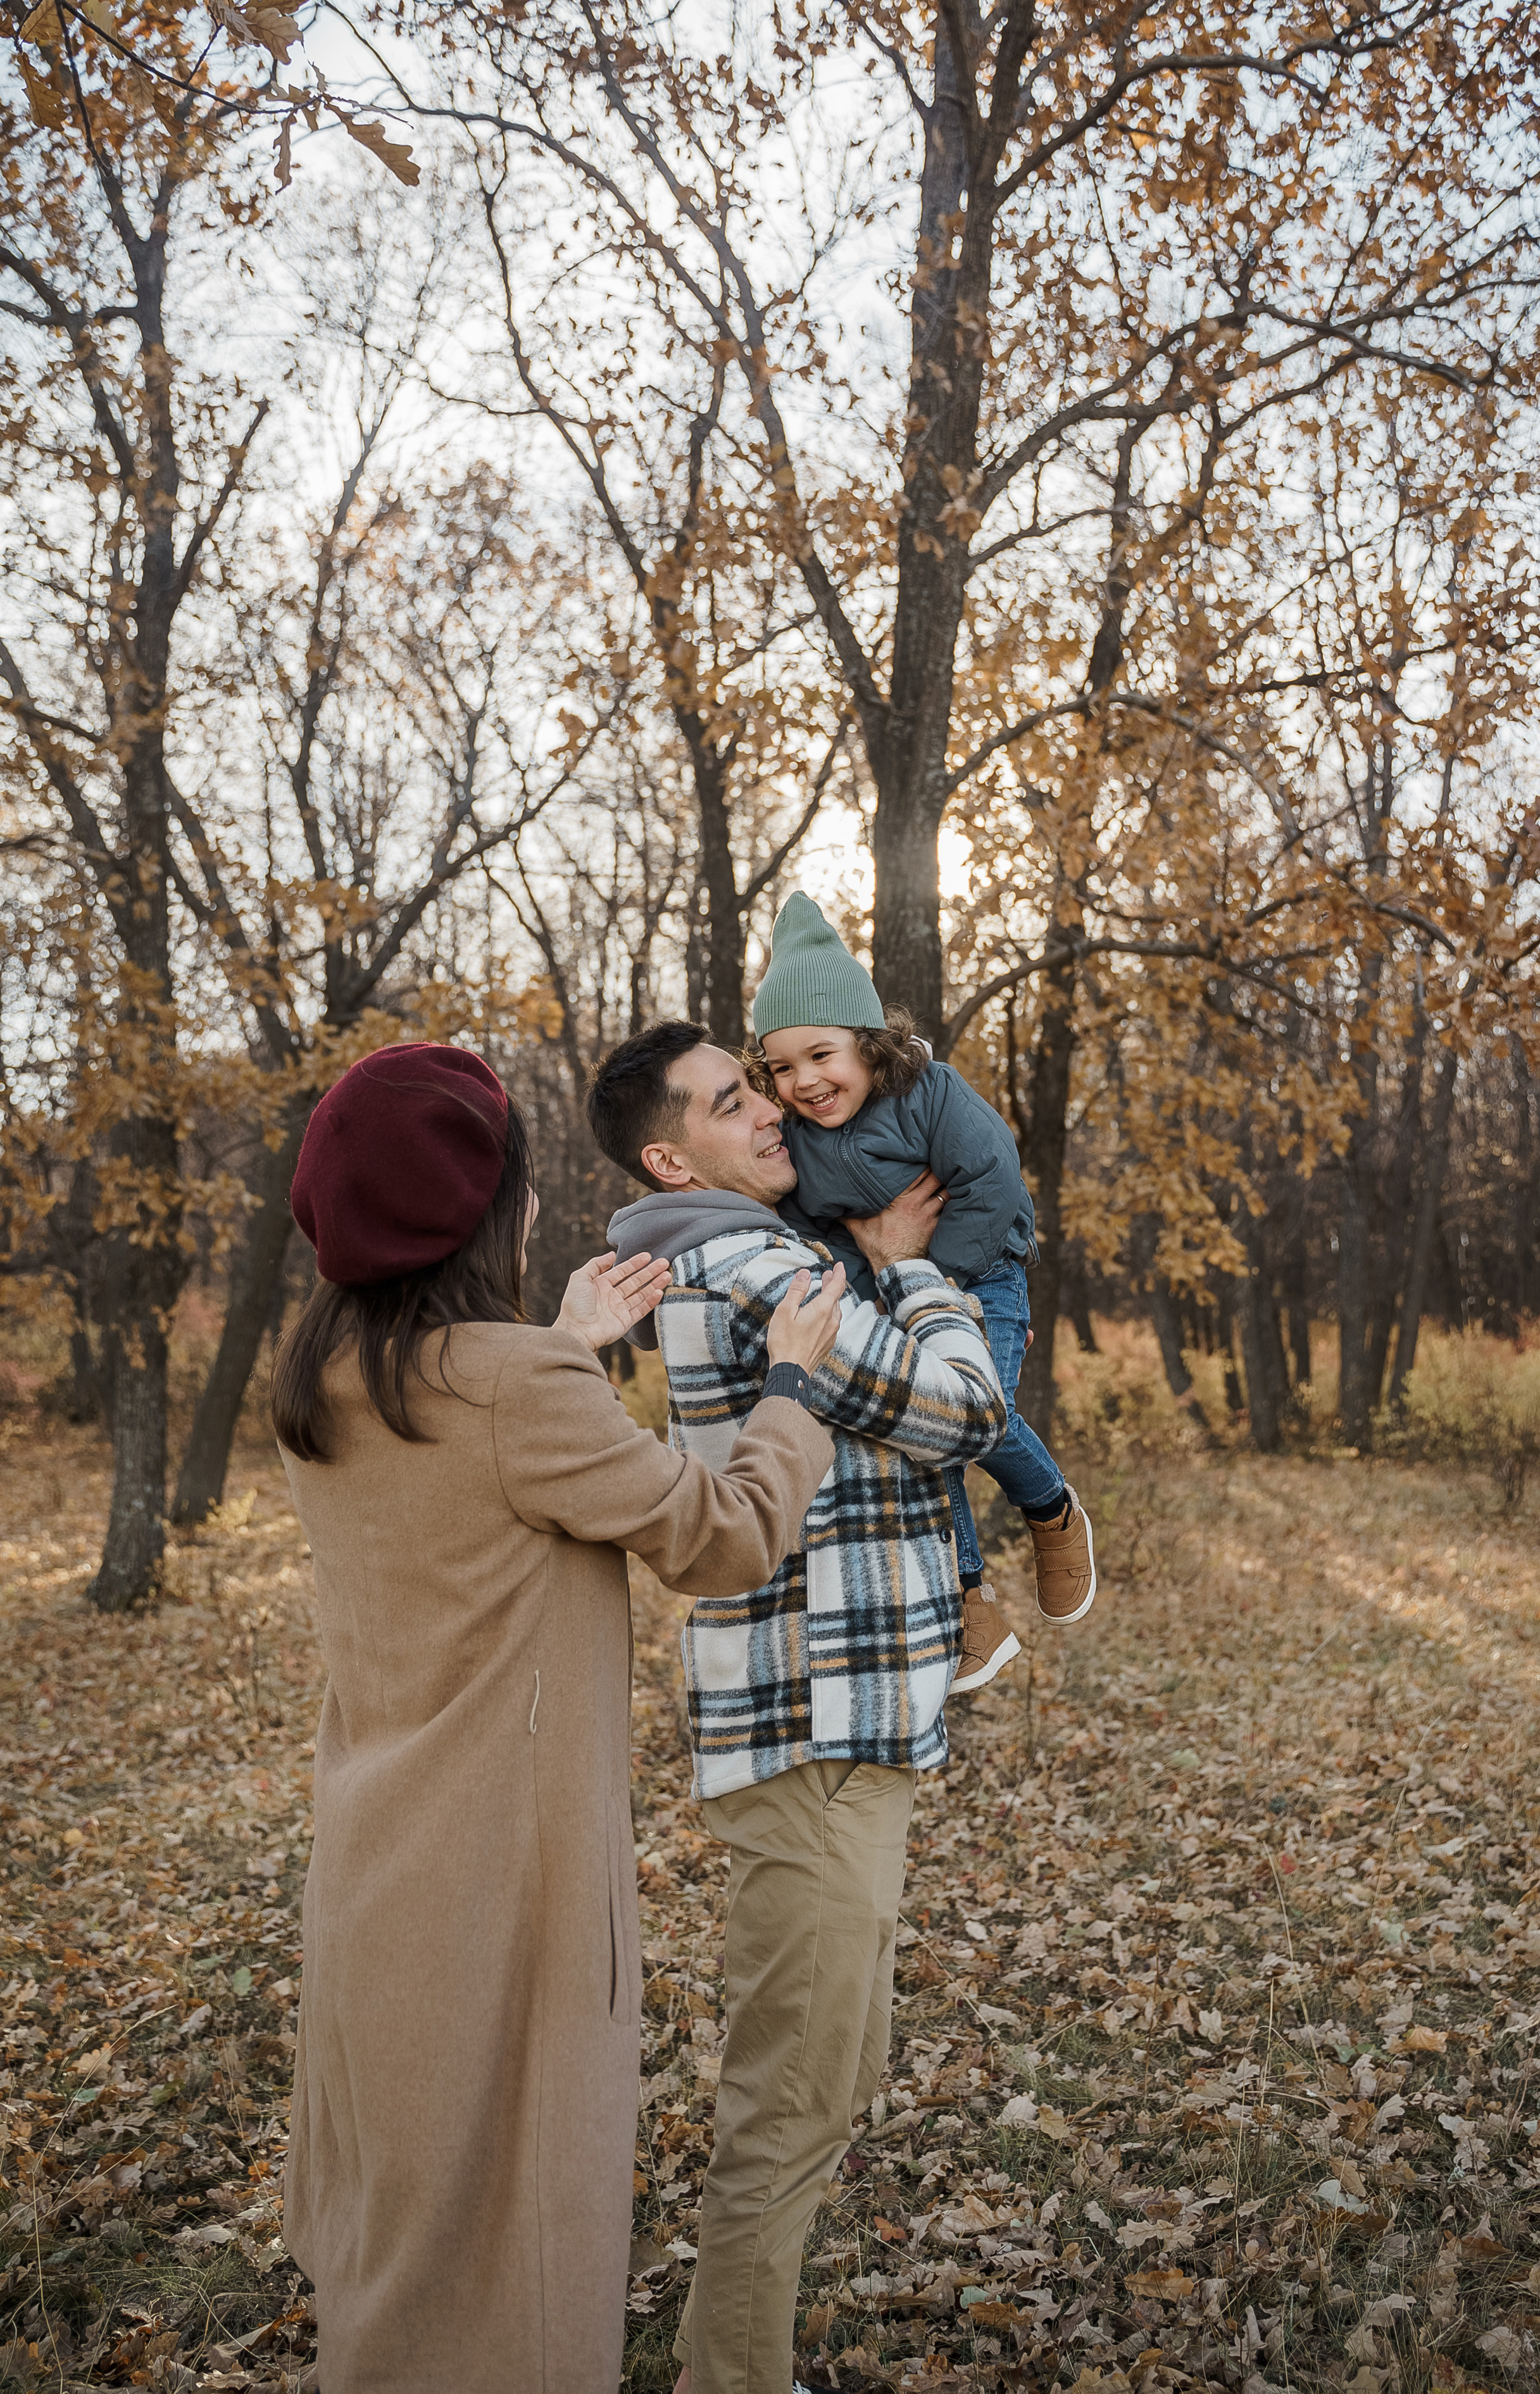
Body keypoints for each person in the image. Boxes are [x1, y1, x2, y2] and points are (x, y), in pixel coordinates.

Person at [269, 1040, 844, 2394]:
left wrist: (568, 1344)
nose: (533, 1210)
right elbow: (721, 1536)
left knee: (401, 2248)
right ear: (477, 1212)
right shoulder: (519, 1390)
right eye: (516, 1186)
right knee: (507, 2274)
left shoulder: (331, 1373)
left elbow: (476, 1457)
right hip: (499, 1897)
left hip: (374, 1880)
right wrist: (793, 1391)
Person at [588, 1021, 1007, 2394]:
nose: (769, 1112)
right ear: (670, 1153)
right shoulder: (754, 1261)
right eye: (730, 1101)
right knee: (788, 2107)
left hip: (834, 1731)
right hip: (815, 1730)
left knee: (828, 2074)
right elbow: (964, 1410)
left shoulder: (732, 1250)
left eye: (759, 1086)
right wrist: (911, 1273)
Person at [752, 891, 1096, 1689]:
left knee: (977, 1418)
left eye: (821, 1054)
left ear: (870, 1045)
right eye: (782, 1066)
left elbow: (992, 1179)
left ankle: (1051, 1510)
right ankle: (970, 1600)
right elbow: (819, 1231)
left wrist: (932, 1275)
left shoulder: (930, 1092)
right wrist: (868, 1275)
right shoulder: (799, 1146)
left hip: (984, 1279)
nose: (804, 1080)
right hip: (890, 1297)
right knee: (923, 1434)